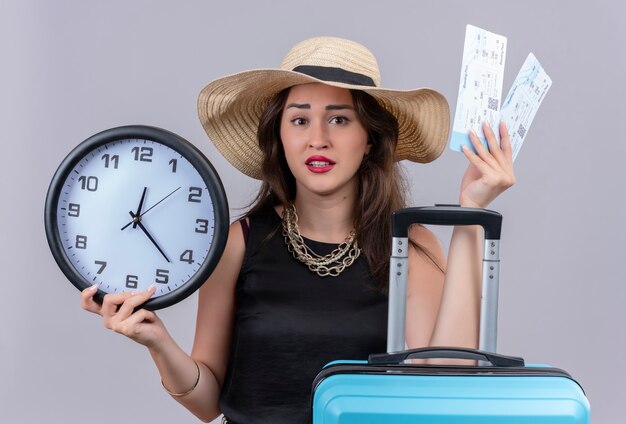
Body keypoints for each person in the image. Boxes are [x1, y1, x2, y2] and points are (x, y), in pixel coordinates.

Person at [81, 36, 515, 423]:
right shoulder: (239, 242)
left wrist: (470, 213)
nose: (318, 138)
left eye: (340, 119)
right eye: (300, 119)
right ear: (279, 137)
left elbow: (447, 378)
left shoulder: (408, 243)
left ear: (370, 139)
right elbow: (207, 402)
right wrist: (157, 341)